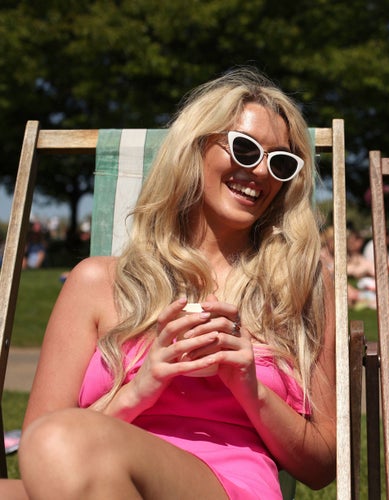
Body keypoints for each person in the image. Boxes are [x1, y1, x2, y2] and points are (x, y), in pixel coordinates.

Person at [1, 67, 336, 499]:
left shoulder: (298, 287)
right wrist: (139, 389)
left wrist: (249, 387)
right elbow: (37, 449)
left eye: (281, 162)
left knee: (61, 440)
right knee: (54, 445)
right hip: (81, 474)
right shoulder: (96, 283)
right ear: (193, 150)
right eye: (245, 148)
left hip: (224, 484)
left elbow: (322, 466)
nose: (260, 172)